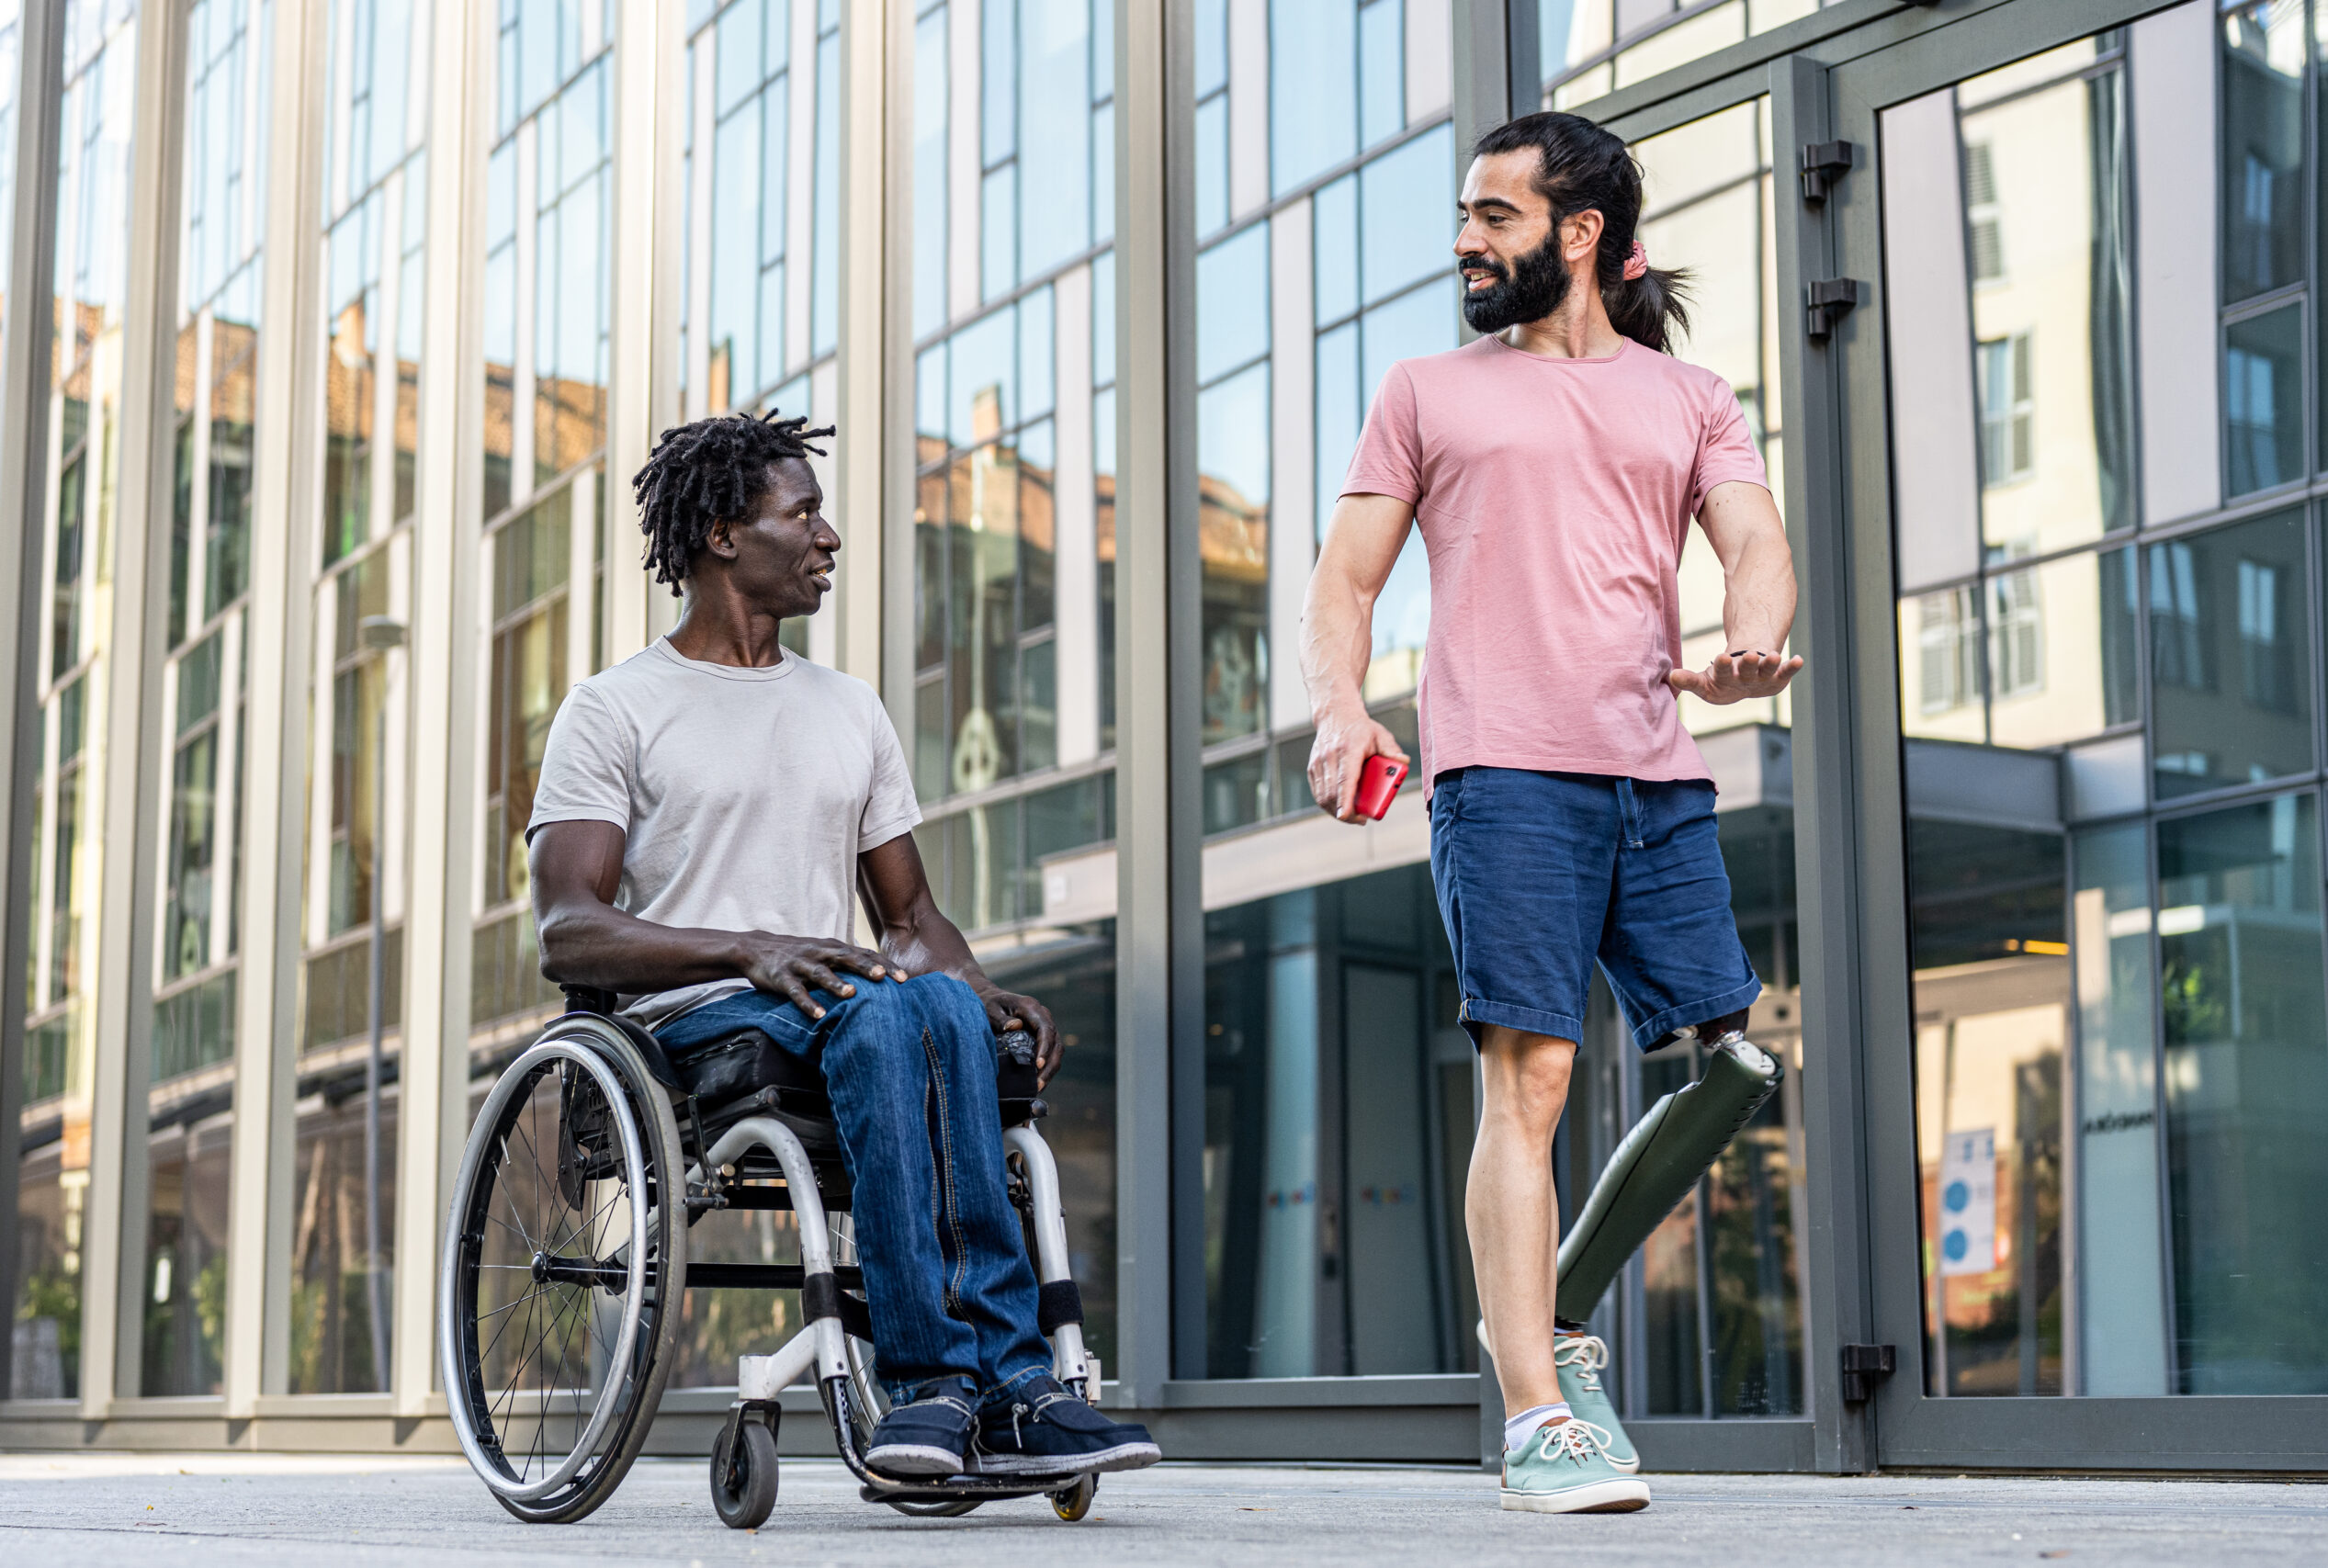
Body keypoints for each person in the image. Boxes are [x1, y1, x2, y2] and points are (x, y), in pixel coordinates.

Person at [1299, 111, 1802, 1515]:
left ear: (1580, 234)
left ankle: (1552, 1296)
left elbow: (1757, 542)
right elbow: (1344, 578)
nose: (1467, 240)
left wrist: (1750, 639)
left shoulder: (1689, 395)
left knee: (1731, 1066)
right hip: (1504, 773)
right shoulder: (1426, 391)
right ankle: (1535, 1405)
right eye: (1464, 217)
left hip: (1656, 770)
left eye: (1496, 218)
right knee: (1532, 1073)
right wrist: (1343, 705)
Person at [525, 410, 1159, 1483]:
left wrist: (985, 989)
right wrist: (750, 948)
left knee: (936, 1004)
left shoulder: (849, 708)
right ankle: (932, 1381)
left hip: (837, 1003)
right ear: (724, 533)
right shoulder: (615, 709)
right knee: (877, 1009)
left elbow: (910, 924)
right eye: (804, 513)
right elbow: (568, 929)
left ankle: (1009, 1384)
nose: (827, 538)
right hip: (701, 1020)